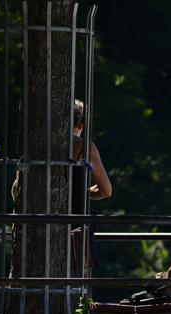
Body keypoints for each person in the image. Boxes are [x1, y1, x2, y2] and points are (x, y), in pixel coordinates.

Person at [71, 99, 111, 270]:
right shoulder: (84, 147)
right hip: (73, 226)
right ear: (80, 124)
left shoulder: (39, 146)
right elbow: (105, 190)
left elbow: (15, 188)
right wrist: (82, 192)